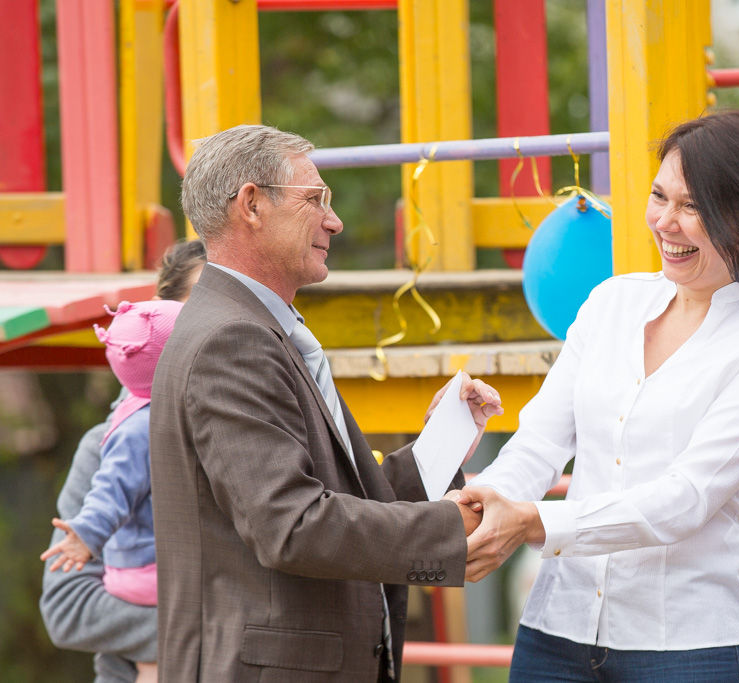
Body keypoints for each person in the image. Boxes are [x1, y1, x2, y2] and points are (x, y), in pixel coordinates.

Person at [453, 110, 739, 681]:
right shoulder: (612, 302)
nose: (665, 222)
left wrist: (531, 523)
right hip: (557, 631)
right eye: (660, 197)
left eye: (693, 207)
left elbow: (685, 498)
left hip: (691, 649)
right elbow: (537, 445)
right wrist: (482, 503)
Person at [148, 123, 500, 681]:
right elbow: (290, 525)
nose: (334, 221)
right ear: (252, 205)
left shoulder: (250, 327)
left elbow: (324, 497)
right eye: (315, 200)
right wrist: (448, 529)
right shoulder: (232, 339)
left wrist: (436, 452)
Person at [39, 239, 206, 683]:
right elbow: (68, 607)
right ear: (160, 319)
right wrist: (216, 636)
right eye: (200, 309)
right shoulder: (110, 444)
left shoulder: (267, 436)